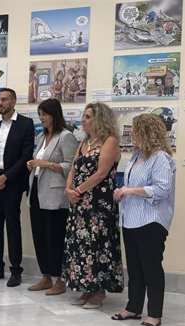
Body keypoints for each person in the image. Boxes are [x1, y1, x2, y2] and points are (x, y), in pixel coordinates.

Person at [111, 114, 176, 326]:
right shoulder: (136, 156)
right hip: (130, 219)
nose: (132, 134)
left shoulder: (160, 158)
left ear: (147, 132)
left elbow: (162, 189)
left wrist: (128, 190)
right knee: (135, 268)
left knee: (151, 268)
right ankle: (133, 307)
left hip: (151, 221)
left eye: (136, 130)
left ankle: (154, 314)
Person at [63, 102, 123, 308]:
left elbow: (101, 173)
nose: (83, 120)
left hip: (98, 203)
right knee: (82, 245)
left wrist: (78, 191)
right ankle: (87, 288)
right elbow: (73, 168)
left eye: (88, 116)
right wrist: (68, 189)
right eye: (84, 116)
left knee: (98, 244)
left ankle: (99, 291)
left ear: (100, 119)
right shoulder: (84, 142)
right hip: (79, 204)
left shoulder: (110, 141)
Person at [0, 88, 35, 287]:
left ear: (14, 101)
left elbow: (26, 156)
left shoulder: (26, 124)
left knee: (12, 224)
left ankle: (16, 269)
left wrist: (5, 177)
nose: (0, 103)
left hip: (12, 183)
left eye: (4, 99)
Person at [26, 99, 78, 295]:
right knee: (39, 235)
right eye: (39, 114)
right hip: (37, 191)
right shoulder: (41, 136)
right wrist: (32, 164)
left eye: (44, 115)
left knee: (54, 237)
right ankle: (46, 276)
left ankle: (60, 278)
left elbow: (70, 166)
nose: (41, 118)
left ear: (54, 115)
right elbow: (39, 159)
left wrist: (46, 164)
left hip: (55, 195)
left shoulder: (66, 137)